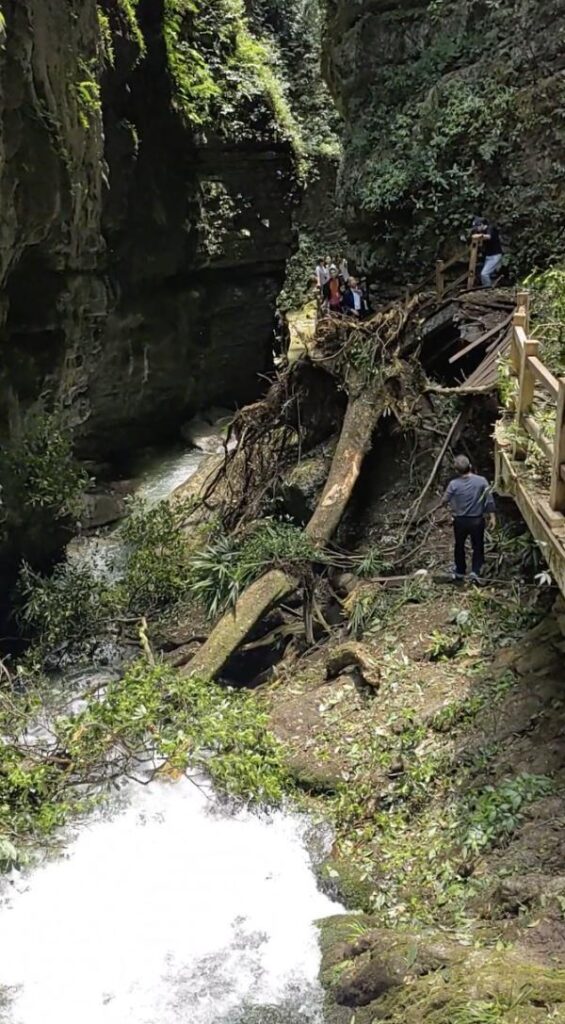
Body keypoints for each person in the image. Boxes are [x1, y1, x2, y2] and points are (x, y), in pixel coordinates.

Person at [442, 455, 496, 581]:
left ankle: (460, 571)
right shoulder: (482, 481)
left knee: (459, 545)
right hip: (477, 520)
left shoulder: (453, 484)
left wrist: (450, 507)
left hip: (460, 521)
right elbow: (489, 500)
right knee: (478, 545)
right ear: (470, 466)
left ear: (456, 471)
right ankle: (476, 571)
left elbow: (444, 500)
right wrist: (492, 517)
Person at [472, 217, 503, 288]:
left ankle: (487, 288)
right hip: (488, 256)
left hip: (495, 255)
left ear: (482, 225)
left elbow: (489, 237)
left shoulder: (490, 229)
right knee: (485, 273)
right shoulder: (482, 231)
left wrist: (479, 236)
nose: (477, 229)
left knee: (484, 274)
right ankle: (488, 286)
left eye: (477, 226)